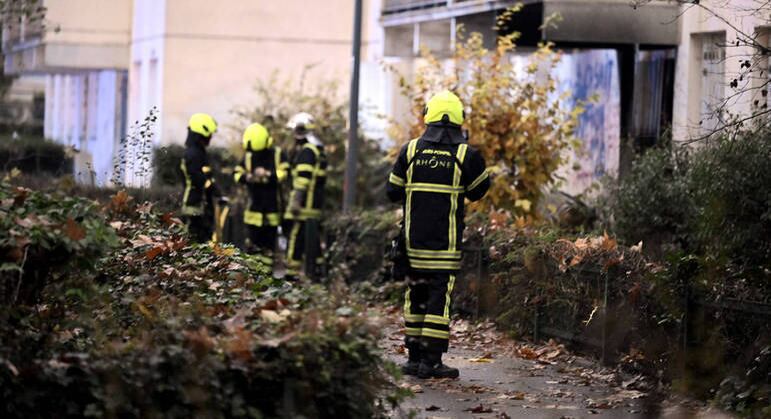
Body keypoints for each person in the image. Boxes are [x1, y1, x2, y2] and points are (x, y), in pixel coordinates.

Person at [386, 90, 490, 379]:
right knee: (437, 301)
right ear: (459, 119)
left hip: (411, 244)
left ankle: (414, 359)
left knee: (415, 297)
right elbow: (479, 190)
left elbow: (392, 191)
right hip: (445, 246)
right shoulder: (465, 155)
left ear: (427, 116)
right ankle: (431, 363)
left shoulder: (410, 151)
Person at [234, 123, 289, 272]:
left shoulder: (277, 154)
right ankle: (253, 276)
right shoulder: (249, 155)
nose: (255, 155)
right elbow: (237, 174)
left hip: (272, 208)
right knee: (252, 248)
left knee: (269, 248)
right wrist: (249, 177)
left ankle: (265, 277)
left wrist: (267, 174)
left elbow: (285, 173)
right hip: (253, 210)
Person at [283, 112, 327, 280]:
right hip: (314, 205)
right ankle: (316, 270)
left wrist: (295, 202)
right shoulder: (318, 149)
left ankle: (291, 274)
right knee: (312, 238)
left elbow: (303, 180)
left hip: (304, 205)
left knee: (296, 237)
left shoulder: (307, 151)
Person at [180, 113, 222, 243]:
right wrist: (213, 188)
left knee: (203, 240)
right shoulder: (193, 154)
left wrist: (216, 191)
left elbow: (206, 176)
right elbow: (198, 178)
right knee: (193, 241)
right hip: (194, 206)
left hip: (201, 205)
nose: (210, 137)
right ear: (201, 133)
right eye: (209, 134)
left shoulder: (199, 152)